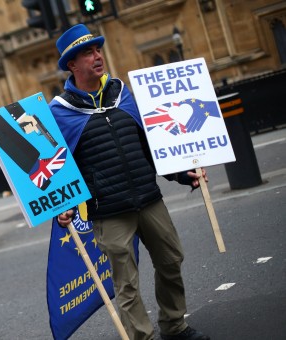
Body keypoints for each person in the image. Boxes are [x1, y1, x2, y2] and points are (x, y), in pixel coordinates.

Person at [48, 24, 210, 340]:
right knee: (126, 282)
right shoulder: (59, 113)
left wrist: (181, 173)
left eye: (97, 50)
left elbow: (153, 147)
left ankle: (174, 325)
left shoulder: (125, 97)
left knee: (171, 260)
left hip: (148, 199)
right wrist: (63, 206)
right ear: (72, 64)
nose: (97, 57)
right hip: (108, 212)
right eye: (87, 53)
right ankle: (143, 337)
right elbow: (57, 170)